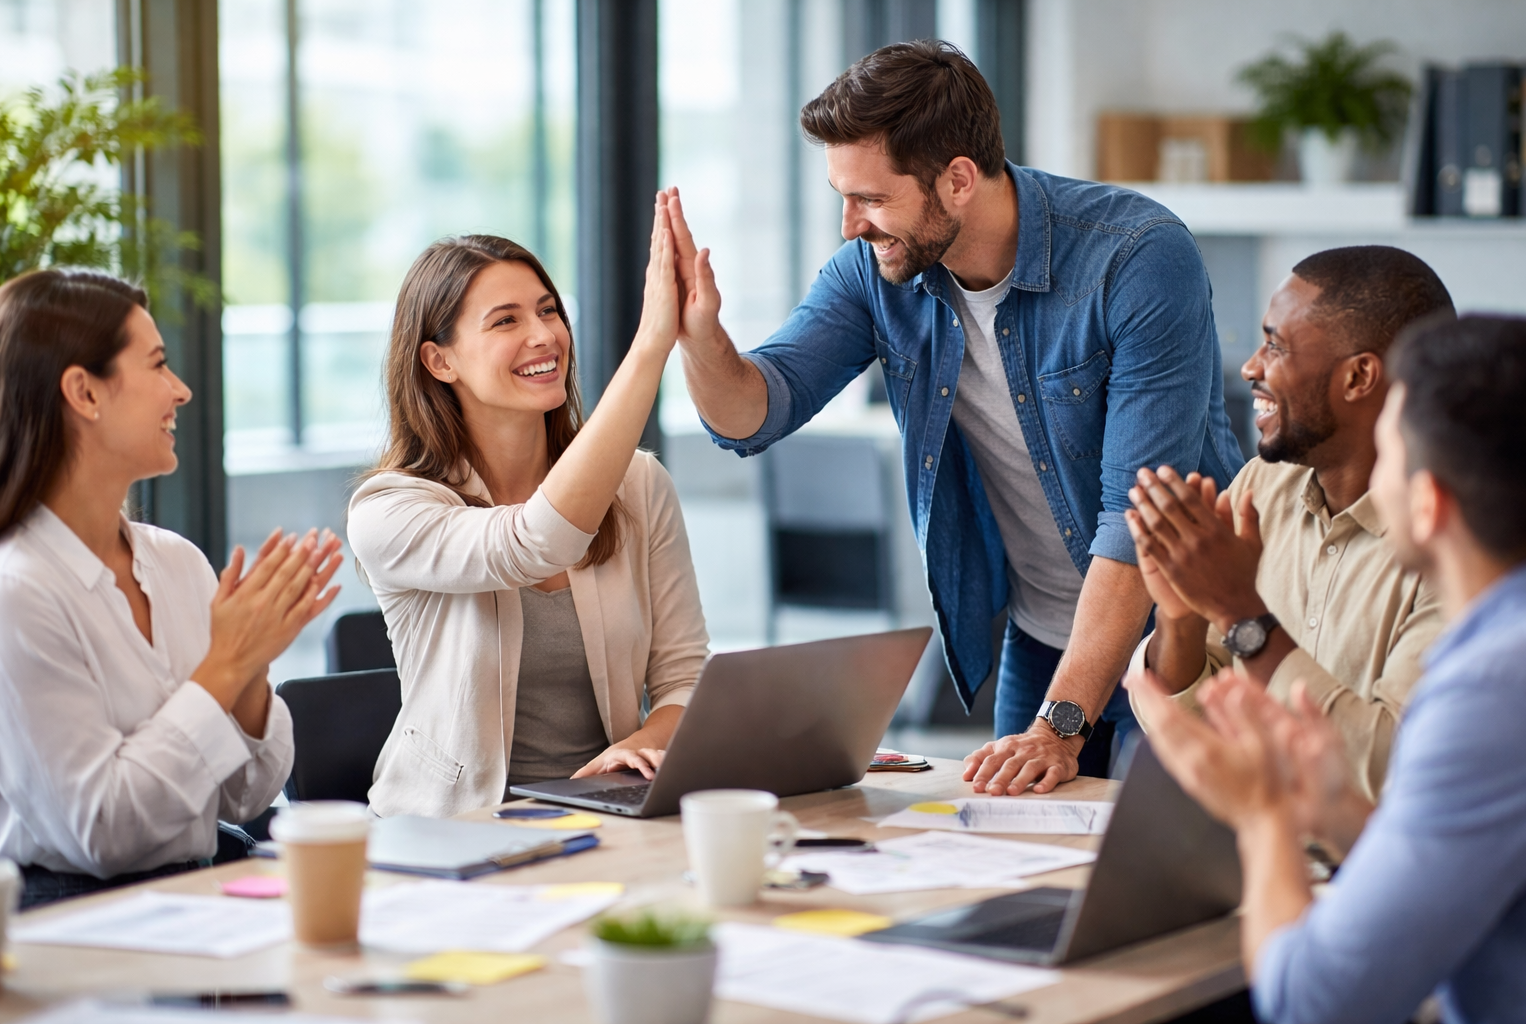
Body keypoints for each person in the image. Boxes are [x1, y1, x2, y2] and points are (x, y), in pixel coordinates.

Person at [664, 40, 1243, 792]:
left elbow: (1135, 524)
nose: (850, 225)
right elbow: (751, 415)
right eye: (844, 196)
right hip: (1043, 638)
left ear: (959, 180)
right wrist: (700, 337)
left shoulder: (1135, 258)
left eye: (871, 198)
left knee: (1164, 883)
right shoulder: (876, 273)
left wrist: (1060, 725)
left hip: (1188, 637)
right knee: (1020, 867)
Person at [1128, 314, 1526, 1024]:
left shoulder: (1496, 687)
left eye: (1390, 454)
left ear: (1428, 502)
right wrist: (1338, 811)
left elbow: (1311, 1002)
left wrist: (1266, 819)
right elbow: (1463, 840)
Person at [349, 199, 710, 819]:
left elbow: (684, 677)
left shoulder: (639, 485)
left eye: (548, 311)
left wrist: (641, 747)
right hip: (452, 833)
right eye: (505, 321)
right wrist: (651, 347)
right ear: (440, 361)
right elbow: (534, 541)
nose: (543, 335)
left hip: (605, 817)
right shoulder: (389, 509)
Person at [0, 269, 342, 909]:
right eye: (157, 365)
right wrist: (226, 663)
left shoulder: (178, 562)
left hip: (200, 895)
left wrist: (253, 669)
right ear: (84, 392)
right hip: (77, 921)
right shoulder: (18, 590)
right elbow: (104, 833)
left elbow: (246, 795)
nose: (181, 391)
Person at [1124, 246, 1452, 802]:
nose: (1251, 366)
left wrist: (1241, 616)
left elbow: (1392, 769)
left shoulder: (1452, 542)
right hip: (1250, 842)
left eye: (1276, 345)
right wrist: (1179, 619)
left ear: (1359, 377)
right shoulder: (1261, 486)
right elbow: (1191, 735)